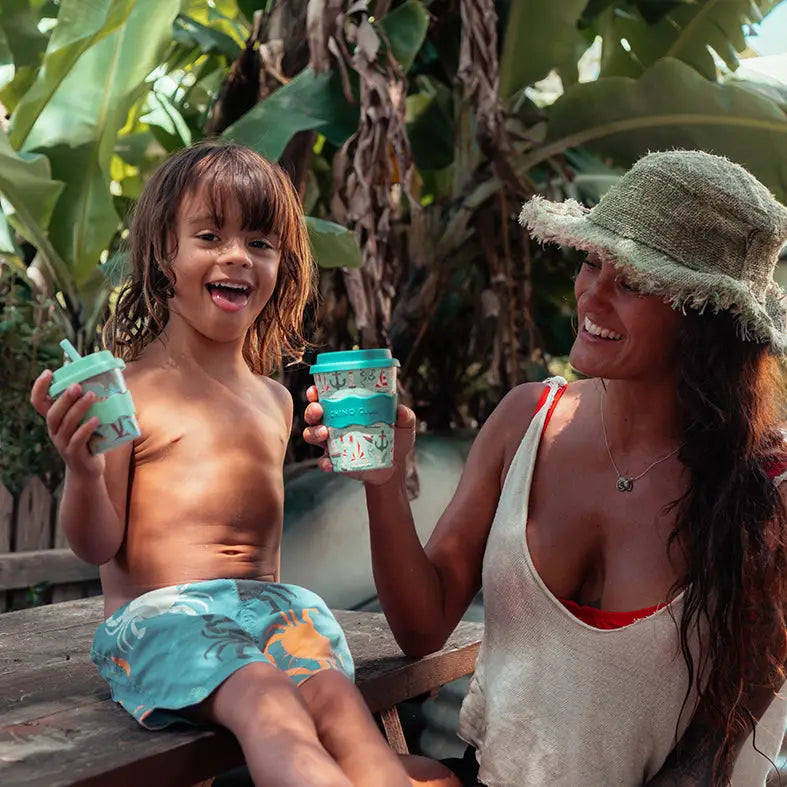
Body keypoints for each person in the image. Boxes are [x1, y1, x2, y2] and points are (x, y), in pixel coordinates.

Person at [304, 150, 787, 786]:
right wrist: (385, 483)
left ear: (705, 318)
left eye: (633, 283)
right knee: (303, 740)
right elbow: (422, 628)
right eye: (592, 262)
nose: (592, 295)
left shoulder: (763, 489)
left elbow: (714, 754)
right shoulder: (529, 418)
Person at [30, 141, 452, 787]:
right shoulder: (126, 392)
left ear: (281, 266)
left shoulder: (275, 399)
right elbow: (96, 545)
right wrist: (83, 471)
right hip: (163, 618)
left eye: (260, 243)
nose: (237, 255)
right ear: (163, 255)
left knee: (341, 710)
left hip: (276, 611)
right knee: (264, 697)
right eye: (209, 236)